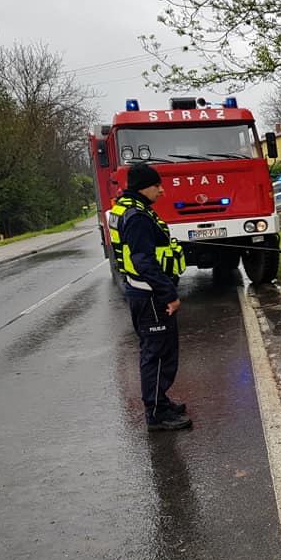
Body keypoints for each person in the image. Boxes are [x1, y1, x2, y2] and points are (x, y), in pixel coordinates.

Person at [108, 163, 192, 430]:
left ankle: (160, 401)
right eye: (158, 185)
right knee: (157, 354)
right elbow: (143, 260)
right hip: (150, 294)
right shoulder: (137, 217)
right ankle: (156, 414)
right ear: (144, 186)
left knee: (160, 351)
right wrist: (169, 293)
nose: (162, 190)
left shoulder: (126, 209)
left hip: (142, 291)